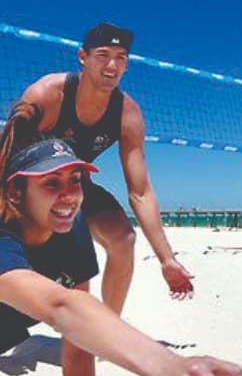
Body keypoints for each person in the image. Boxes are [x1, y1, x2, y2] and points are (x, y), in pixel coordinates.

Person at [0, 113, 242, 376]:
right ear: (17, 192)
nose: (69, 195)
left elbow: (77, 343)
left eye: (75, 179)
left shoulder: (71, 229)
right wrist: (161, 363)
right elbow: (60, 306)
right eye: (51, 183)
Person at [17, 22, 193, 317]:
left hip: (74, 186)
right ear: (83, 57)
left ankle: (110, 325)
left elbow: (141, 192)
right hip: (25, 186)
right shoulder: (47, 94)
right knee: (64, 274)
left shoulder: (128, 113)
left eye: (121, 57)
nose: (112, 65)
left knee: (123, 238)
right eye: (102, 55)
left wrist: (167, 259)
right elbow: (5, 154)